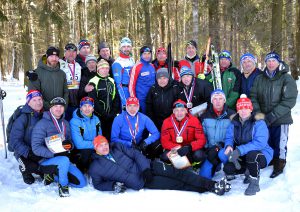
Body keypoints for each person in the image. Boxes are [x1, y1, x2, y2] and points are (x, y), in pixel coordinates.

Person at [89, 135, 231, 195]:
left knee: (179, 173)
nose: (104, 147)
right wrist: (113, 186)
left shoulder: (117, 147)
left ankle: (213, 185)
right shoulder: (95, 167)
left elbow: (136, 155)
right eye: (100, 146)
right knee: (176, 184)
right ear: (96, 148)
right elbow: (98, 184)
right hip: (142, 182)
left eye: (105, 144)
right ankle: (207, 189)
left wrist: (145, 168)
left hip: (149, 167)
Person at [250, 52, 298, 178]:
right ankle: (270, 159)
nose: (271, 63)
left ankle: (280, 162)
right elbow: (253, 97)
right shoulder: (260, 78)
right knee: (267, 141)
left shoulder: (286, 78)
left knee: (280, 143)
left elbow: (289, 100)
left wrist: (273, 115)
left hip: (281, 118)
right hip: (264, 118)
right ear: (265, 63)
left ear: (278, 62)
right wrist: (259, 114)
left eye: (273, 61)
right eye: (268, 61)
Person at [31, 97, 86, 197]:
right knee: (64, 160)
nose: (58, 108)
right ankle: (63, 186)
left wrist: (70, 145)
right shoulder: (42, 124)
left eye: (61, 106)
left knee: (82, 183)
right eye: (55, 106)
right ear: (50, 108)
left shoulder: (65, 123)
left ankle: (52, 176)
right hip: (46, 160)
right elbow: (36, 147)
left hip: (63, 158)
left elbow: (70, 142)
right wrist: (53, 153)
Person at [220, 94, 273, 195]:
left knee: (252, 155)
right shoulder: (234, 123)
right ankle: (247, 170)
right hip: (243, 154)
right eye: (240, 108)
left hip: (262, 154)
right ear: (237, 110)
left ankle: (254, 183)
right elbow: (229, 137)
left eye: (246, 108)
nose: (243, 111)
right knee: (228, 168)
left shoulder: (259, 123)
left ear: (251, 109)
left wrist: (239, 150)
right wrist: (229, 146)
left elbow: (260, 143)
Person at [10, 90, 55, 184]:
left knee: (46, 169)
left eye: (39, 99)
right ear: (28, 102)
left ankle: (39, 168)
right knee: (30, 166)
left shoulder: (45, 115)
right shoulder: (23, 117)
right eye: (34, 100)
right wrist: (29, 152)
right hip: (24, 152)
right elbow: (14, 141)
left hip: (38, 150)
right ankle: (24, 170)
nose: (38, 102)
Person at [199, 89, 235, 179]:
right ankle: (216, 165)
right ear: (211, 101)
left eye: (220, 98)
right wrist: (207, 149)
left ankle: (229, 168)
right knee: (204, 176)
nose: (218, 101)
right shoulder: (205, 116)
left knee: (223, 154)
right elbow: (202, 135)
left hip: (225, 148)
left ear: (224, 100)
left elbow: (235, 135)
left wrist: (223, 145)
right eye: (215, 99)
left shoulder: (232, 115)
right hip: (211, 150)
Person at [160, 100, 206, 165]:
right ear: (173, 111)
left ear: (186, 111)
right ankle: (173, 167)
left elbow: (201, 140)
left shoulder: (194, 121)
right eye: (176, 110)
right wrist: (178, 148)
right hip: (174, 149)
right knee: (165, 157)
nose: (179, 113)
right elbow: (165, 141)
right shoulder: (166, 122)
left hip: (189, 148)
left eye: (182, 110)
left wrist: (189, 147)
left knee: (199, 155)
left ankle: (194, 166)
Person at [27, 46, 69, 110]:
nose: (54, 59)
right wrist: (49, 107)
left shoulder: (62, 74)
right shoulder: (36, 73)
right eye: (51, 56)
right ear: (46, 56)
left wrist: (63, 106)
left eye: (56, 57)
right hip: (42, 112)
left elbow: (66, 92)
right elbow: (34, 94)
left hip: (59, 111)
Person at [88, 59, 121, 140]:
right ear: (98, 69)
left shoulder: (111, 80)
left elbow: (116, 97)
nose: (105, 70)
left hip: (111, 115)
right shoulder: (93, 81)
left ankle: (111, 150)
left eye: (107, 68)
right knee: (100, 136)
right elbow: (93, 100)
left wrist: (113, 112)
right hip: (99, 116)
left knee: (110, 136)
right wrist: (103, 113)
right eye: (103, 68)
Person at [70, 97, 102, 173]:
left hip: (93, 147)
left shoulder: (96, 119)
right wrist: (96, 145)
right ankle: (83, 169)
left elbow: (100, 136)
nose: (87, 108)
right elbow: (79, 144)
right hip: (80, 150)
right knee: (87, 152)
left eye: (89, 106)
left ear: (93, 108)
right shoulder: (75, 121)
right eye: (84, 106)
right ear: (80, 108)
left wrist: (101, 145)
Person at [129, 46, 156, 113]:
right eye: (144, 54)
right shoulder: (136, 67)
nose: (147, 56)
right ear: (141, 55)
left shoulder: (152, 66)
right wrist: (134, 100)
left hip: (152, 98)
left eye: (148, 53)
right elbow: (131, 85)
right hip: (141, 99)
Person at [59, 43, 82, 121]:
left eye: (73, 51)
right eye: (68, 51)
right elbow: (47, 63)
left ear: (76, 53)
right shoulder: (59, 64)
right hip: (65, 103)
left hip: (77, 102)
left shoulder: (79, 66)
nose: (71, 54)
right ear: (65, 53)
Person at [112, 37, 135, 108]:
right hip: (124, 92)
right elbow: (118, 85)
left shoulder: (132, 60)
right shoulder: (117, 63)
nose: (126, 48)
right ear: (120, 48)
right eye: (124, 47)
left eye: (128, 46)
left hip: (133, 91)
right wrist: (124, 102)